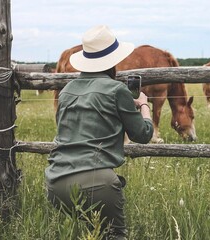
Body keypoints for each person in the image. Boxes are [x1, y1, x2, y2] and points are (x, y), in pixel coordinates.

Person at [45, 25, 153, 239]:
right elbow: (142, 134)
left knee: (90, 233)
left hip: (55, 182)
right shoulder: (117, 90)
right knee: (114, 235)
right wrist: (143, 106)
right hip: (97, 181)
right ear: (113, 60)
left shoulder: (67, 91)